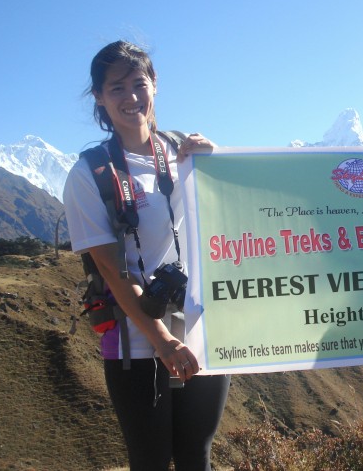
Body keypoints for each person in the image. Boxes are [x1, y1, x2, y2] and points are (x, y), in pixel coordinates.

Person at [64, 41, 230, 471]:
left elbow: (229, 221)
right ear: (99, 97)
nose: (131, 97)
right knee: (151, 460)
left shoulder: (183, 153)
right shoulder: (89, 174)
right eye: (116, 88)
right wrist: (162, 340)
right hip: (135, 342)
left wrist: (217, 167)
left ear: (155, 84)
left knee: (197, 454)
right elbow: (111, 268)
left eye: (139, 83)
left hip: (199, 328)